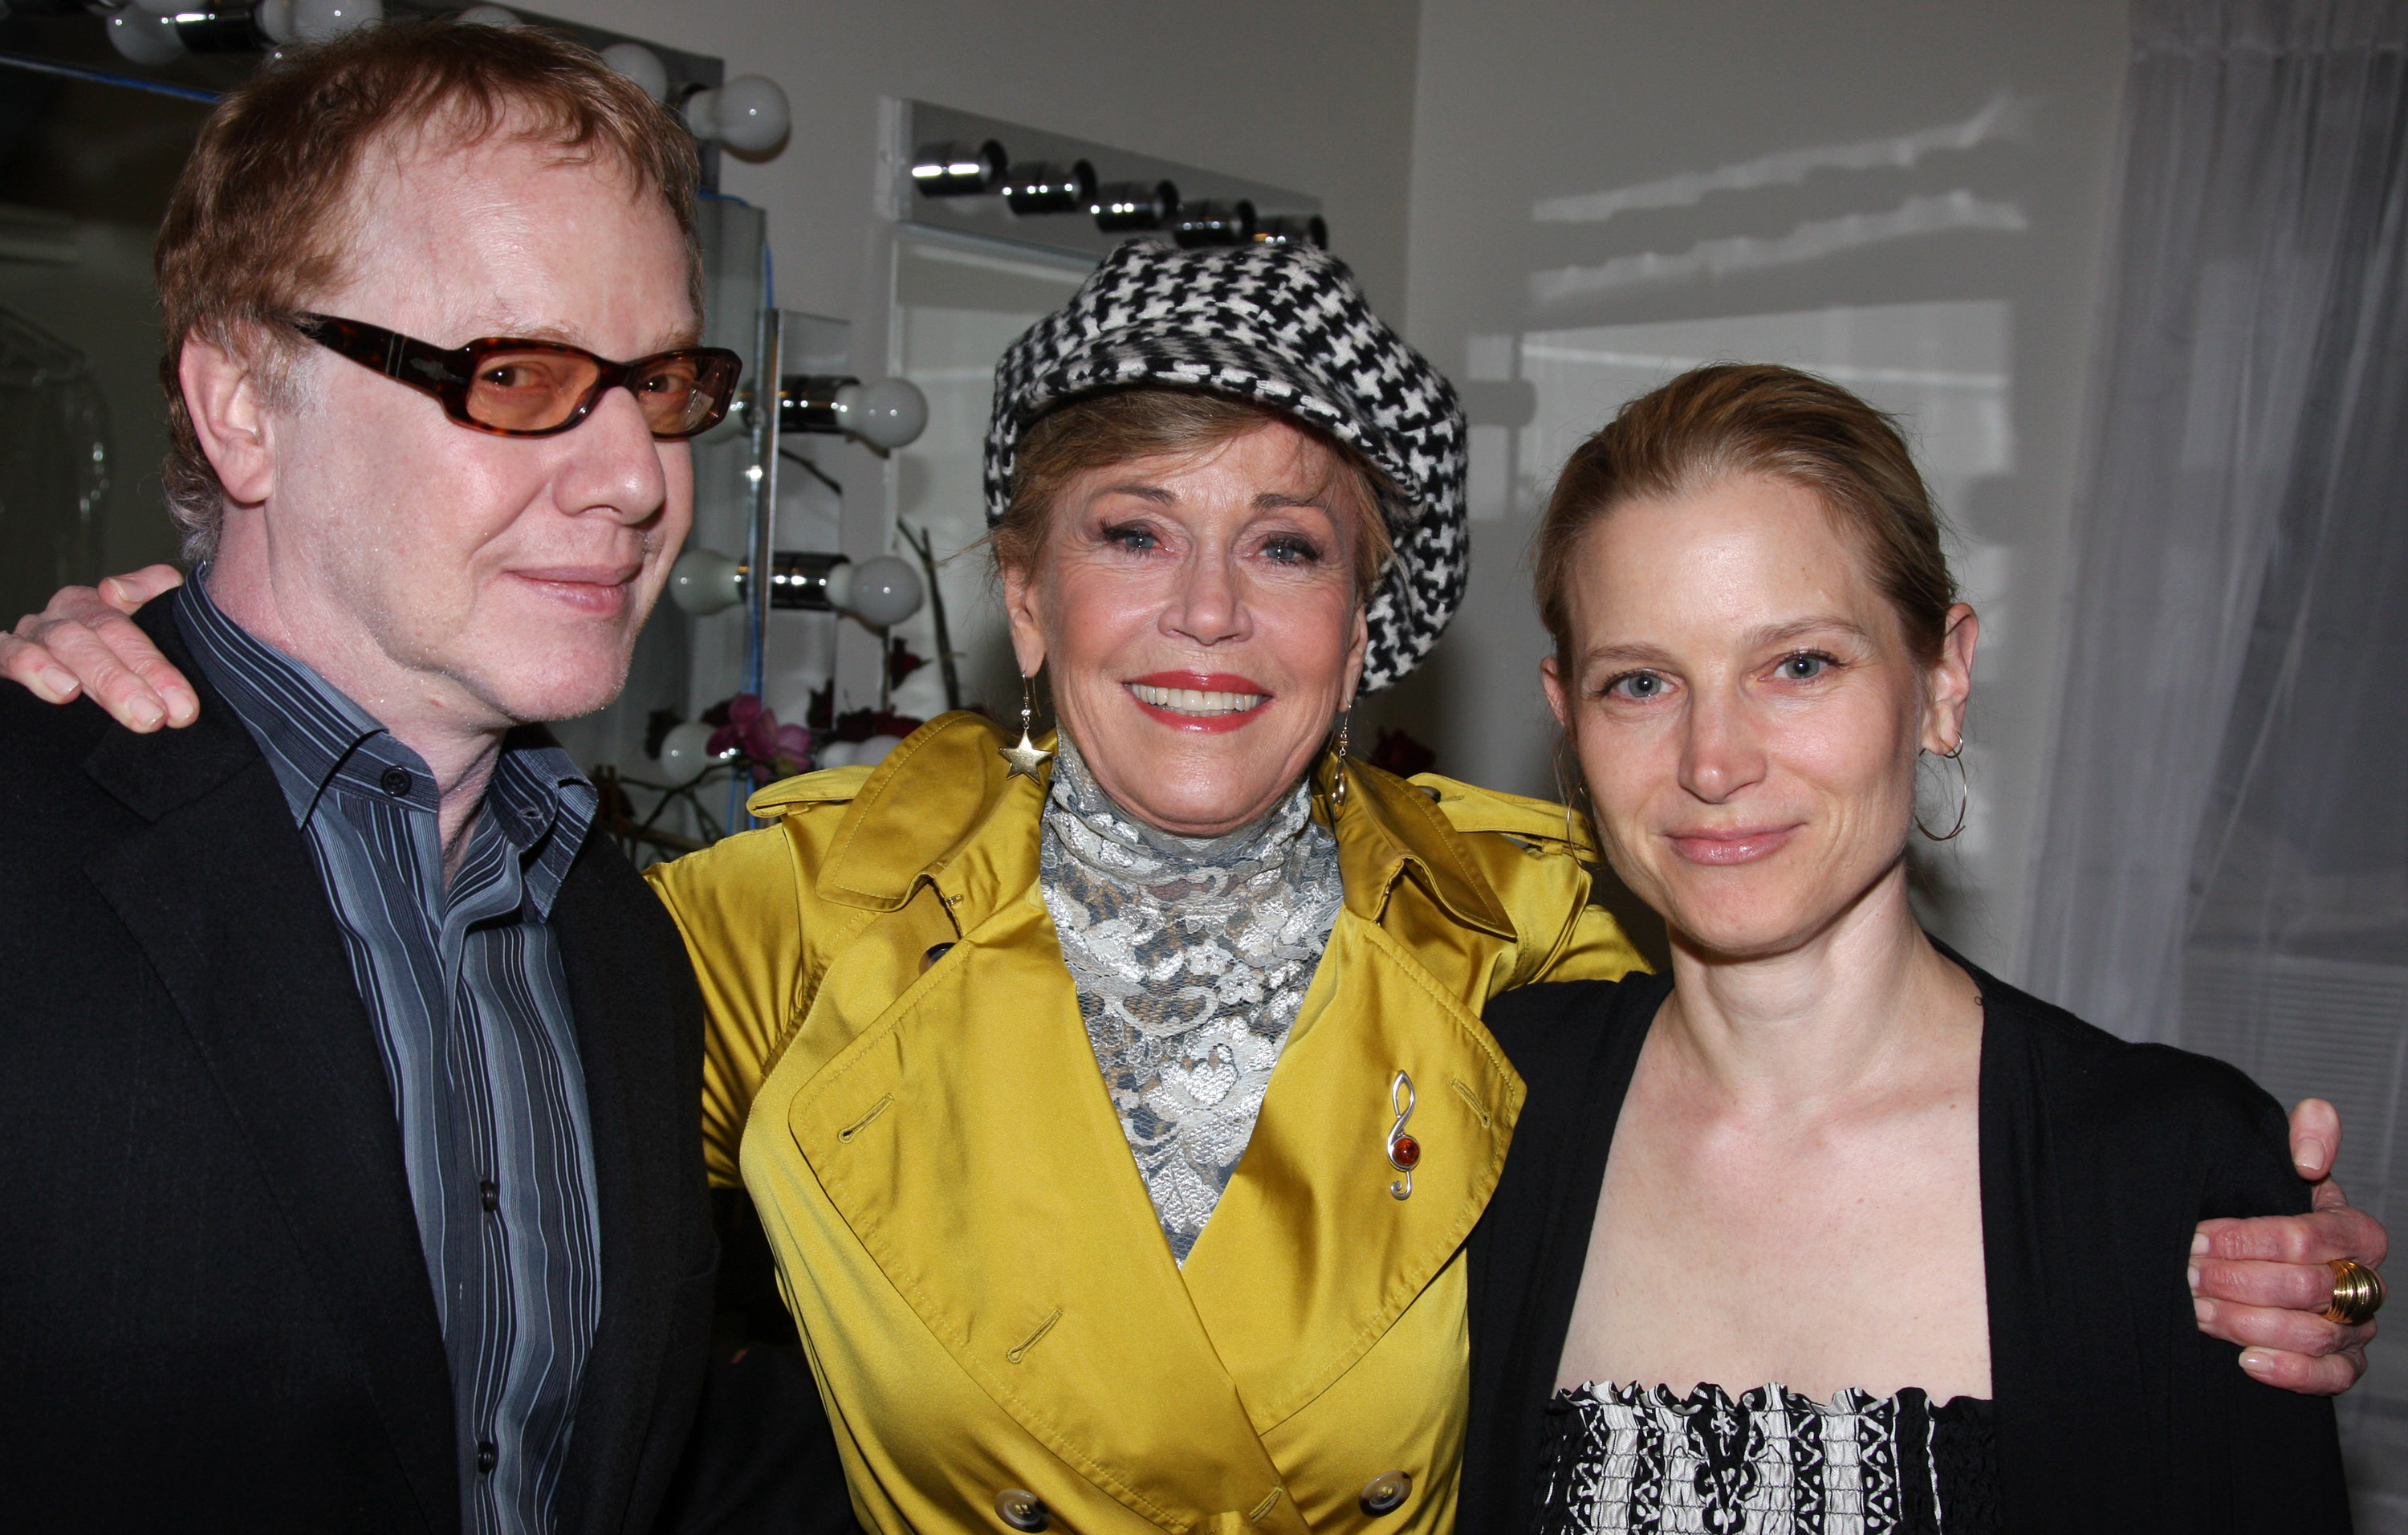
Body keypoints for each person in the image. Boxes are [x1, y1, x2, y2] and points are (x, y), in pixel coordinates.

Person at [6, 246, 2381, 1528]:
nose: (1213, 618)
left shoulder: (1551, 934)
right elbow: (370, 1090)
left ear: (1384, 628)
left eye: (1291, 549)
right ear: (1025, 600)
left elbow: (1885, 1150)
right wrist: (184, 680)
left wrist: (2220, 1242)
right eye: (1132, 538)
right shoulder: (772, 917)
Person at [0, 22, 846, 1534]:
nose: (638, 476)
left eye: (660, 384)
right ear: (246, 405)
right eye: (516, 374)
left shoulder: (614, 936)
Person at [1458, 364, 2372, 1533]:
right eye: (1640, 682)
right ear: (1569, 719)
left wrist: (2330, 1285)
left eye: (1799, 665)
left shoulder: (2172, 1173)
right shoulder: (1482, 1102)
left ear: (1942, 681)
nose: (1713, 762)